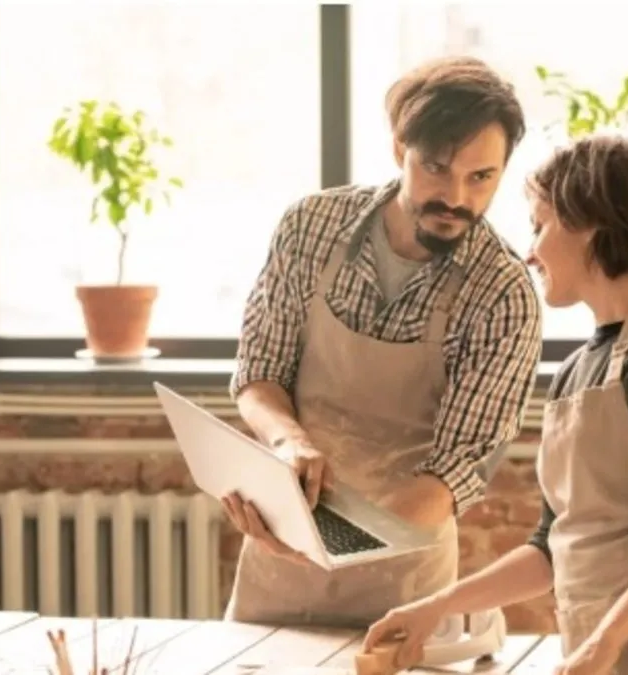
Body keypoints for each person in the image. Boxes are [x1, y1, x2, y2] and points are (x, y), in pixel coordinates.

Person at [362, 134, 628, 674]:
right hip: (609, 655)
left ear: (592, 223)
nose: (530, 249)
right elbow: (550, 547)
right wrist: (435, 608)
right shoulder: (572, 372)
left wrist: (603, 643)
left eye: (540, 224)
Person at [222, 56, 543, 627]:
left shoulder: (503, 294)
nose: (457, 198)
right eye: (437, 169)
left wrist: (324, 542)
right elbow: (258, 373)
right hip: (278, 567)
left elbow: (452, 473)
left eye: (481, 178)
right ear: (401, 150)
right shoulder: (310, 227)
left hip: (403, 585)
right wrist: (286, 444)